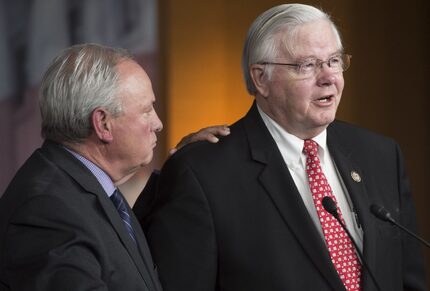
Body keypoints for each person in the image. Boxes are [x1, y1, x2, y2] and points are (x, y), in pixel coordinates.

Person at [144, 3, 427, 291]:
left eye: (333, 61)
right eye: (307, 65)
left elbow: (408, 280)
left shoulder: (381, 155)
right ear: (260, 79)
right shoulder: (203, 173)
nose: (329, 77)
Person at [0, 43, 229, 290]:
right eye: (146, 110)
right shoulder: (45, 211)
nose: (158, 123)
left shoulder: (77, 186)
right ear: (103, 124)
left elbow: (119, 256)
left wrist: (178, 170)